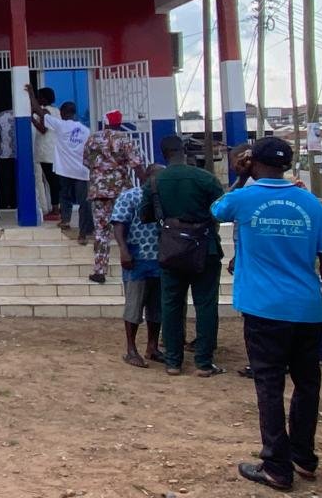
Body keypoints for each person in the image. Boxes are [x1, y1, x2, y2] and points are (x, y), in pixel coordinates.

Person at [210, 137, 322, 491]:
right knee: (308, 383)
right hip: (307, 307)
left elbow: (216, 209)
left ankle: (277, 466)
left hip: (264, 309)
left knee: (270, 385)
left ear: (253, 162)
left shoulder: (244, 198)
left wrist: (241, 177)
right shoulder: (311, 204)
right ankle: (303, 458)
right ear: (288, 165)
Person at [141, 134, 225, 377]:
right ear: (184, 151)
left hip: (171, 250)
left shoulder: (155, 182)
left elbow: (144, 215)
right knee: (206, 304)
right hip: (205, 248)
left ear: (163, 153)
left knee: (171, 304)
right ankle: (204, 363)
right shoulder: (206, 178)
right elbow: (221, 211)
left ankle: (173, 362)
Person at [111, 164, 165, 368]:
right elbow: (119, 224)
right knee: (134, 306)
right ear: (147, 177)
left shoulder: (163, 198)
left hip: (160, 259)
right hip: (137, 258)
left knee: (156, 308)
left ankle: (152, 347)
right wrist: (123, 251)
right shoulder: (130, 196)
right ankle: (131, 349)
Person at [83, 110, 145, 284]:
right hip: (121, 193)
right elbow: (136, 165)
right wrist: (146, 185)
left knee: (101, 232)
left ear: (105, 122)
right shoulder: (124, 140)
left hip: (98, 192)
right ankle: (133, 262)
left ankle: (100, 270)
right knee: (128, 228)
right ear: (120, 122)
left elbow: (86, 162)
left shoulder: (92, 139)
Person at [25, 85, 92, 242]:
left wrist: (31, 94)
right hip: (82, 171)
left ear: (62, 113)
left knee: (65, 196)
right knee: (84, 202)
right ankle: (86, 229)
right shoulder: (86, 130)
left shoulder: (61, 125)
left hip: (65, 170)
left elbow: (37, 110)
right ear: (74, 113)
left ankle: (66, 220)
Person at [32, 87, 61, 221]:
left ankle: (55, 209)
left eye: (39, 96)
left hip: (45, 151)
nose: (38, 99)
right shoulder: (56, 111)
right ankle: (57, 207)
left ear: (44, 98)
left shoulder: (44, 111)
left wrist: (31, 119)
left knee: (51, 181)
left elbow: (43, 129)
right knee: (54, 181)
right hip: (53, 149)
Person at [0, 108, 16, 210]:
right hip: (19, 153)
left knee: (5, 180)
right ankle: (15, 202)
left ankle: (4, 203)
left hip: (4, 153)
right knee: (16, 179)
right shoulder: (21, 113)